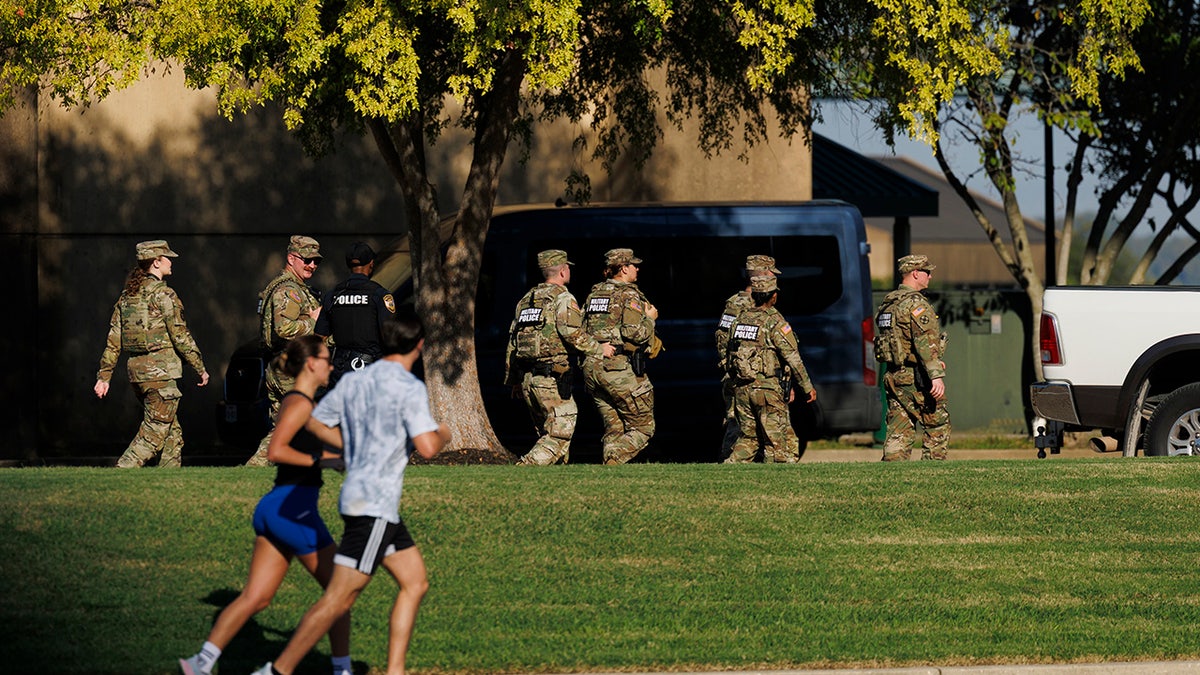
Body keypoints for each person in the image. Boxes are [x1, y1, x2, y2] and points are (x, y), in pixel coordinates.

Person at [251, 311, 451, 675]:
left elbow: (315, 419)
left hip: (373, 505)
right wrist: (445, 433)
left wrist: (351, 447)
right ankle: (276, 671)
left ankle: (395, 671)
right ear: (419, 346)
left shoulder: (357, 381)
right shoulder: (409, 387)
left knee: (415, 582)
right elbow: (427, 448)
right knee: (336, 599)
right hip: (373, 506)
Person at [179, 335, 351, 675]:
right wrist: (320, 460)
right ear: (312, 363)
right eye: (327, 359)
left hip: (274, 508)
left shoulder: (300, 403)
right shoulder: (301, 403)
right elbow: (277, 451)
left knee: (256, 598)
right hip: (293, 510)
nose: (331, 365)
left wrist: (340, 456)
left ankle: (201, 663)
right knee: (340, 594)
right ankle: (340, 670)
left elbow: (329, 448)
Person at [94, 240, 209, 467]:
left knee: (172, 435)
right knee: (154, 432)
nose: (171, 261)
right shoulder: (164, 295)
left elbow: (113, 340)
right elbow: (180, 335)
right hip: (161, 374)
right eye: (167, 258)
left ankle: (166, 487)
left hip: (139, 374)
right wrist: (200, 367)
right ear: (156, 262)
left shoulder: (127, 297)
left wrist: (104, 376)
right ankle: (122, 470)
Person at [504, 249, 616, 465]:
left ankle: (554, 483)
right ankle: (526, 467)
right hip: (550, 379)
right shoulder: (563, 298)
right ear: (563, 271)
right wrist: (598, 349)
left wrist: (514, 381)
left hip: (529, 381)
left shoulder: (526, 300)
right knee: (560, 432)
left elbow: (513, 343)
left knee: (549, 434)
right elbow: (571, 333)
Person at [721, 275, 817, 463]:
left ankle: (729, 470)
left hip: (742, 389)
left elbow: (729, 352)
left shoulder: (740, 319)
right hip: (767, 390)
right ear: (773, 296)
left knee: (748, 439)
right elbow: (792, 357)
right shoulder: (774, 320)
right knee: (776, 445)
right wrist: (807, 387)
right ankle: (776, 485)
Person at [246, 235, 324, 466]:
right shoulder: (288, 290)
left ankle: (254, 471)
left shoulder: (297, 287)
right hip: (290, 367)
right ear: (292, 258)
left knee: (284, 426)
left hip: (287, 365)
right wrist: (314, 322)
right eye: (307, 260)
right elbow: (284, 329)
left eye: (316, 261)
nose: (312, 265)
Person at [581, 248, 660, 465]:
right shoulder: (629, 294)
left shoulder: (595, 293)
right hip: (617, 368)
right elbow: (633, 332)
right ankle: (615, 458)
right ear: (624, 268)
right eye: (634, 265)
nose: (638, 268)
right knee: (644, 428)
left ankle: (611, 471)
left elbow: (581, 328)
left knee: (614, 426)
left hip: (592, 368)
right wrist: (650, 318)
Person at [874, 254, 950, 461]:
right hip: (916, 377)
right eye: (927, 272)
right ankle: (933, 475)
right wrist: (935, 375)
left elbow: (899, 340)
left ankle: (892, 476)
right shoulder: (916, 305)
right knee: (937, 423)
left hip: (894, 375)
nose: (930, 276)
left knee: (899, 426)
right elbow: (924, 341)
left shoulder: (888, 303)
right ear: (916, 273)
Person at [715, 254, 781, 460]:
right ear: (763, 274)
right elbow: (724, 340)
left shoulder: (737, 302)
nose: (773, 276)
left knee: (749, 426)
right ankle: (730, 465)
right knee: (739, 426)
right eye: (771, 272)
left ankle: (738, 464)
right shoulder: (741, 304)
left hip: (746, 375)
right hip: (743, 376)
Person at [316, 241, 397, 389]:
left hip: (339, 372)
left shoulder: (333, 295)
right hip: (370, 372)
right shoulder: (379, 295)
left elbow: (319, 338)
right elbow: (390, 336)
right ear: (371, 264)